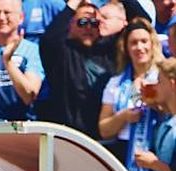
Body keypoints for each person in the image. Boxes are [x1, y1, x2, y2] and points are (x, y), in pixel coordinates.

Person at [38, 0, 128, 140]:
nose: (88, 27)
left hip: (105, 139)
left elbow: (140, 24)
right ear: (70, 24)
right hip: (71, 138)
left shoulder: (110, 51)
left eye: (94, 23)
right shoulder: (62, 54)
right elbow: (49, 39)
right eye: (82, 22)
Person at [99, 19, 162, 171]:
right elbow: (104, 130)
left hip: (154, 151)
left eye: (144, 41)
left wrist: (152, 99)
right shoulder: (116, 83)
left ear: (152, 44)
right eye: (133, 43)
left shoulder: (161, 79)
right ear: (126, 48)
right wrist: (124, 116)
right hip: (123, 152)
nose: (140, 47)